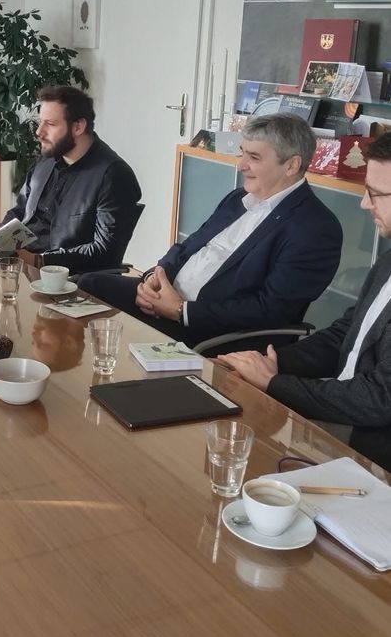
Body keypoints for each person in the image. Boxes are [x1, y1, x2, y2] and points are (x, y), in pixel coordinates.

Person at [79, 114, 343, 348]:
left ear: (291, 165)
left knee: (114, 328)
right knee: (89, 285)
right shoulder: (237, 198)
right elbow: (188, 247)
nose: (240, 165)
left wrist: (181, 311)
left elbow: (270, 310)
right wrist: (154, 277)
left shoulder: (315, 229)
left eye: (254, 157)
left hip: (207, 328)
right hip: (169, 298)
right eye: (242, 153)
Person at [219, 132, 391, 428]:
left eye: (375, 193)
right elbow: (346, 335)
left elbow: (379, 400)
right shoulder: (388, 260)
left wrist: (275, 384)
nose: (364, 204)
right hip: (339, 413)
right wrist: (269, 362)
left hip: (370, 444)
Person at [0, 86, 141, 272]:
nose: (39, 132)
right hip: (20, 266)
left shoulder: (113, 175)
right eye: (40, 122)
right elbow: (20, 211)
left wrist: (38, 261)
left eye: (50, 124)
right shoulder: (46, 159)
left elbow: (106, 252)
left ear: (78, 127)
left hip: (65, 279)